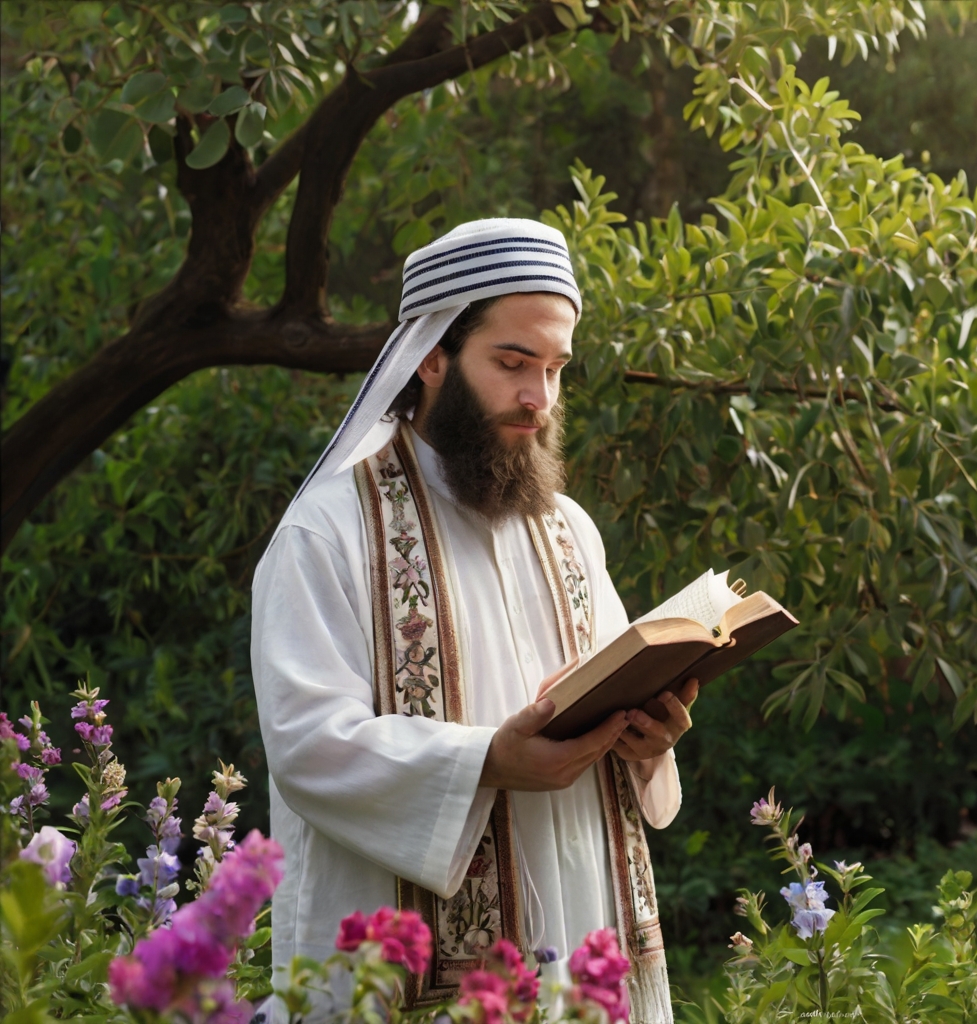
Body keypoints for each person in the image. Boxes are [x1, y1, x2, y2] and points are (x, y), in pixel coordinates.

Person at [251, 219, 696, 1023]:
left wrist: (649, 738)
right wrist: (488, 760)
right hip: (414, 977)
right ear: (430, 355)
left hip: (580, 914)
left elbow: (616, 686)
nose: (541, 398)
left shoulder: (569, 528)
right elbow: (306, 744)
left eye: (557, 368)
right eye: (512, 363)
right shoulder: (327, 530)